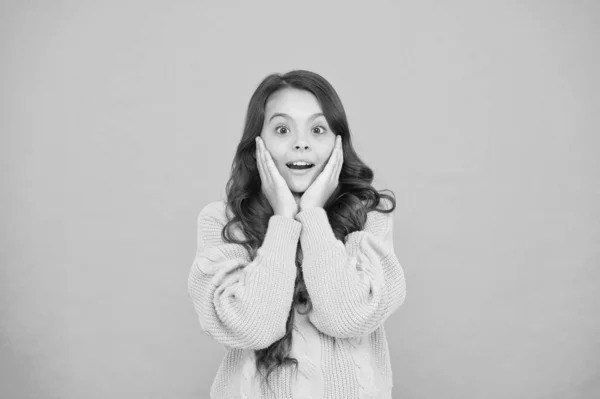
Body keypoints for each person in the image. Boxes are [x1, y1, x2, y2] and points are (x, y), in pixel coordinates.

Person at [188, 69, 406, 399]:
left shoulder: (369, 218)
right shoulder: (222, 222)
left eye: (317, 129)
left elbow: (347, 319)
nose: (300, 143)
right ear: (257, 143)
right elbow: (253, 328)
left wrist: (313, 216)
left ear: (338, 143)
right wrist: (284, 222)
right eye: (282, 129)